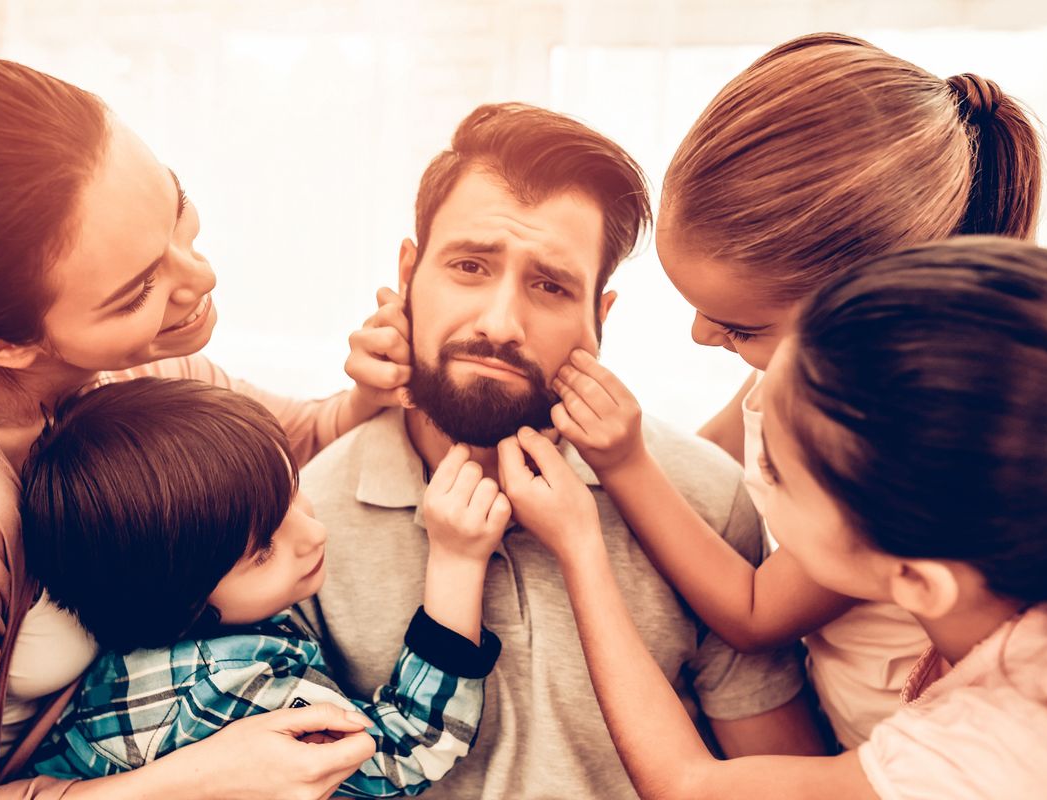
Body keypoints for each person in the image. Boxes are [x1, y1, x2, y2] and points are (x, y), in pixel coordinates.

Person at [0, 57, 409, 799]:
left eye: (178, 211)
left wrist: (368, 391)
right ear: (3, 344)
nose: (200, 278)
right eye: (140, 288)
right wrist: (196, 782)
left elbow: (296, 435)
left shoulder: (132, 372)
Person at [294, 101, 822, 800]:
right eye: (470, 266)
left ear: (598, 320)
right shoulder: (299, 524)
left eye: (550, 286)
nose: (500, 323)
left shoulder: (701, 502)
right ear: (409, 272)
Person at [547, 32, 1043, 748]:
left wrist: (624, 465)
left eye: (739, 326)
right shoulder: (793, 370)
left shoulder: (906, 453)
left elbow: (752, 615)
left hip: (905, 759)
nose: (697, 336)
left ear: (869, 308)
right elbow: (699, 463)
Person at [500, 236, 1047, 798]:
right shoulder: (1039, 546)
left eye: (779, 475)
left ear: (916, 581)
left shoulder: (982, 754)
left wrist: (581, 547)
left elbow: (688, 785)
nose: (752, 474)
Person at [17, 377, 502, 795]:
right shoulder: (227, 688)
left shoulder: (143, 618)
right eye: (265, 550)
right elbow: (407, 749)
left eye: (293, 490)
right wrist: (457, 560)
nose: (315, 533)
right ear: (184, 607)